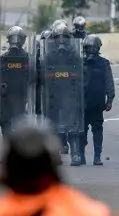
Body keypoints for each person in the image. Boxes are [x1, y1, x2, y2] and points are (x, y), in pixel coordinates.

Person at [42, 24, 85, 165]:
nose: (61, 41)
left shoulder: (74, 56)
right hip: (53, 95)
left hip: (70, 94)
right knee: (53, 126)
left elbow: (81, 76)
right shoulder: (48, 56)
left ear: (69, 39)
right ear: (53, 40)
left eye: (64, 38)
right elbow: (42, 77)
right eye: (58, 38)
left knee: (73, 125)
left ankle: (76, 154)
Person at [80, 35, 114, 166]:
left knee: (97, 130)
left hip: (96, 102)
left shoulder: (104, 63)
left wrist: (110, 99)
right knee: (81, 131)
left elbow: (109, 82)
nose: (92, 50)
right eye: (90, 48)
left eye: (94, 48)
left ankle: (97, 156)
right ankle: (82, 155)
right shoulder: (79, 62)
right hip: (82, 102)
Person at [0, 26, 32, 140]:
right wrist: (0, 86)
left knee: (20, 123)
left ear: (23, 40)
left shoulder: (27, 58)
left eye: (18, 38)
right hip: (6, 96)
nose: (15, 41)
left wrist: (28, 91)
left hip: (21, 96)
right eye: (13, 38)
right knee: (4, 122)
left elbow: (33, 76)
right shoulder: (4, 58)